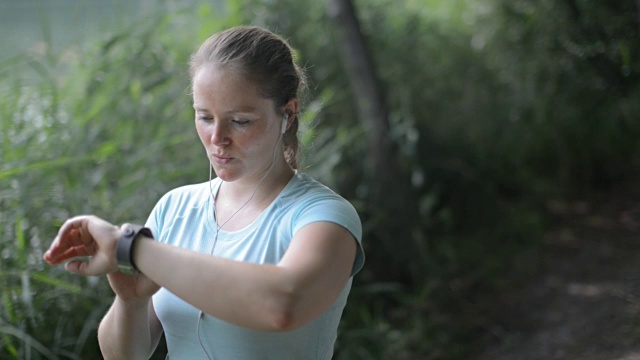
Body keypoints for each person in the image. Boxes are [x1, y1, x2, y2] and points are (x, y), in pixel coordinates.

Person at [43, 26, 364, 359]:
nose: (217, 138)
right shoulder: (175, 208)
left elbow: (283, 305)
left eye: (240, 121)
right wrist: (131, 301)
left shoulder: (323, 217)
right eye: (205, 117)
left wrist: (131, 248)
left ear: (288, 112)